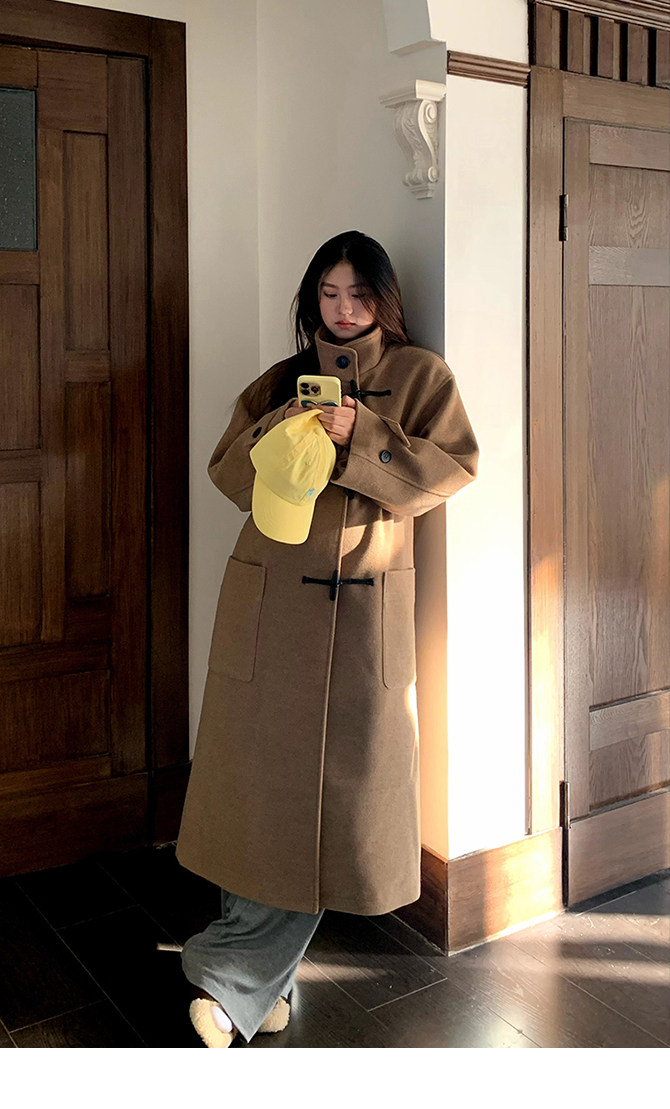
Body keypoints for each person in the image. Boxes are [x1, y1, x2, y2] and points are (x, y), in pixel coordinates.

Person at [176, 230, 479, 1047]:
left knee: (329, 803)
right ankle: (256, 985)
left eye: (358, 294)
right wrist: (285, 425)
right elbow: (228, 475)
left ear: (384, 299)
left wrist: (362, 434)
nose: (343, 310)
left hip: (361, 618)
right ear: (312, 299)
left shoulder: (422, 377)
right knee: (257, 790)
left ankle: (228, 976)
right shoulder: (281, 380)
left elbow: (452, 470)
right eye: (329, 294)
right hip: (270, 605)